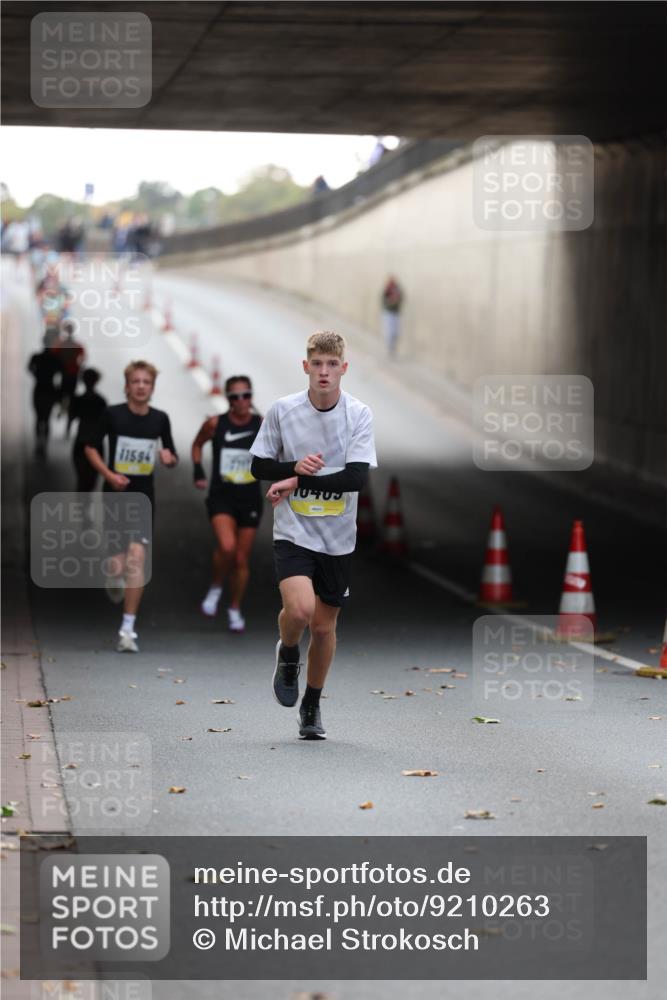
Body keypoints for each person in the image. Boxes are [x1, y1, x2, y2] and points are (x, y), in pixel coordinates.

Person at [250, 331, 377, 740]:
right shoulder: (283, 411)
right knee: (301, 612)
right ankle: (288, 653)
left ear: (344, 368)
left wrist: (298, 482)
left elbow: (356, 477)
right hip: (294, 530)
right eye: (317, 364)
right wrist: (292, 469)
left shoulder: (358, 414)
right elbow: (258, 466)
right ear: (305, 367)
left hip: (337, 537)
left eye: (332, 364)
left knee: (323, 628)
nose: (324, 372)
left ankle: (312, 704)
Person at [84, 361, 178, 653]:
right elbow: (90, 447)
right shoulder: (112, 415)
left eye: (146, 382)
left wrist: (168, 458)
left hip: (143, 497)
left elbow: (171, 453)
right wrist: (110, 475)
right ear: (127, 386)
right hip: (114, 495)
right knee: (119, 564)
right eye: (135, 381)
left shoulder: (160, 419)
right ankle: (113, 574)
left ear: (152, 387)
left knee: (138, 557)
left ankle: (127, 629)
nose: (140, 386)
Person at [191, 375, 263, 632]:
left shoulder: (262, 425)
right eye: (235, 396)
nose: (241, 401)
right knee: (228, 546)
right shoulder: (215, 424)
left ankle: (234, 607)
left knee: (242, 559)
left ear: (251, 396)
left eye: (246, 395)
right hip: (222, 496)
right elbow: (197, 445)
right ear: (227, 399)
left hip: (250, 498)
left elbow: (280, 452)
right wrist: (198, 470)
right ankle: (216, 585)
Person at [68, 369, 107, 492]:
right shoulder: (101, 401)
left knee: (82, 478)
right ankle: (85, 505)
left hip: (81, 441)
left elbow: (71, 417)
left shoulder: (78, 400)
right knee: (91, 480)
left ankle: (81, 506)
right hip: (96, 444)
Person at [27, 336, 63, 457]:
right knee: (46, 419)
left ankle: (39, 444)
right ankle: (44, 446)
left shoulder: (37, 357)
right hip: (49, 389)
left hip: (39, 388)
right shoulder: (55, 358)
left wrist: (37, 375)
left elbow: (29, 368)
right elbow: (62, 372)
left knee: (39, 418)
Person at [51, 320, 86, 417]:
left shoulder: (61, 345)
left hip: (64, 372)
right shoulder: (77, 345)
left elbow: (54, 355)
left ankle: (63, 408)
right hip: (73, 372)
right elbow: (83, 358)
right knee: (71, 393)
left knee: (63, 392)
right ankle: (69, 411)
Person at [381, 275, 403, 357]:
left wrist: (396, 301)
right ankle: (389, 349)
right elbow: (384, 301)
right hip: (388, 314)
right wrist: (391, 302)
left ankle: (393, 348)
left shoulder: (398, 290)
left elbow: (400, 299)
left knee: (396, 333)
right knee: (389, 333)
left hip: (396, 314)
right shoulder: (387, 290)